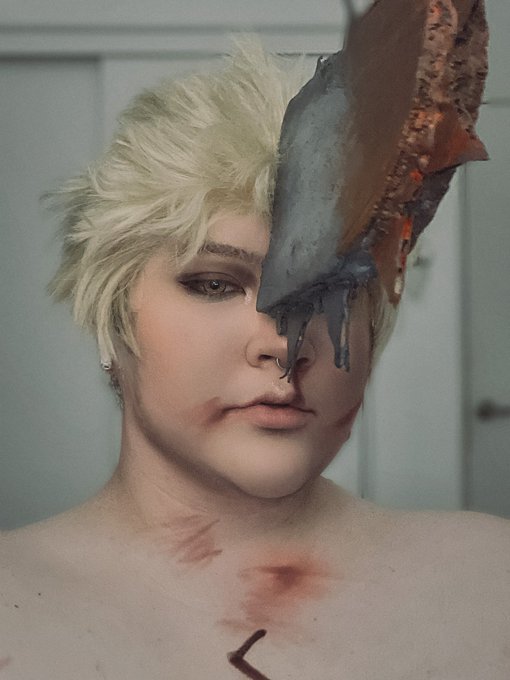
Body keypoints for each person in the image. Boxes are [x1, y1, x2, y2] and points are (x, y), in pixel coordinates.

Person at [1, 39, 509, 680]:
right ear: (113, 321)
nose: (283, 343)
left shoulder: (490, 583)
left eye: (328, 292)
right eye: (215, 284)